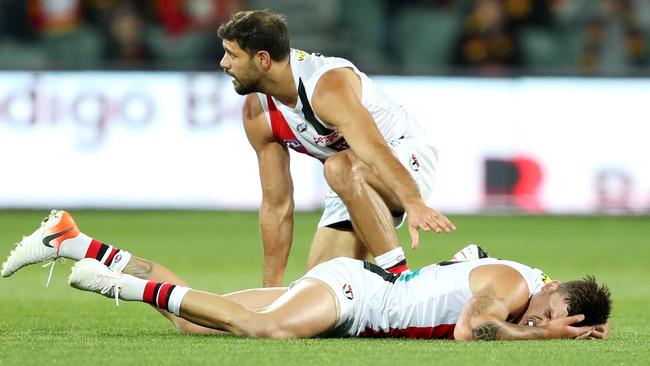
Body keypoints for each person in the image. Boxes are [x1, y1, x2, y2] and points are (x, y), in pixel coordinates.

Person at [2, 210, 611, 340]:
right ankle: (129, 285)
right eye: (553, 313)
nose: (540, 319)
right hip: (353, 294)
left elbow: (458, 270)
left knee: (194, 321)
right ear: (553, 291)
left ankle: (73, 241)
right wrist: (543, 337)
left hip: (358, 285)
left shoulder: (519, 274)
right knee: (268, 332)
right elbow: (469, 332)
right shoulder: (513, 288)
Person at [217, 10, 456, 286]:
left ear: (262, 59)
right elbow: (276, 205)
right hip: (349, 182)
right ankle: (456, 266)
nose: (224, 63)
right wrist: (272, 290)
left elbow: (375, 151)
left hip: (404, 158)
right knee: (317, 294)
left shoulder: (326, 86)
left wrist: (413, 203)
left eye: (231, 54)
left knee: (338, 166)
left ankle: (403, 282)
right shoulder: (257, 113)